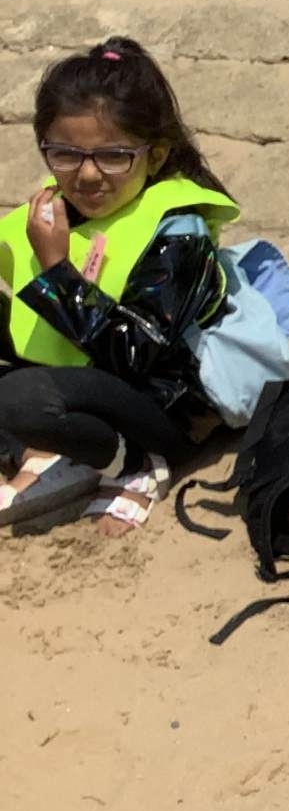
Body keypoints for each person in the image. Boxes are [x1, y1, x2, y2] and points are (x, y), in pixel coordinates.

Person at [0, 39, 243, 534]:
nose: (88, 175)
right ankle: (34, 447)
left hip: (157, 409)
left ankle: (130, 462)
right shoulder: (56, 213)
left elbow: (132, 354)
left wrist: (56, 272)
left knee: (20, 400)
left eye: (113, 156)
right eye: (65, 155)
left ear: (155, 156)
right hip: (77, 374)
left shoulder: (179, 235)